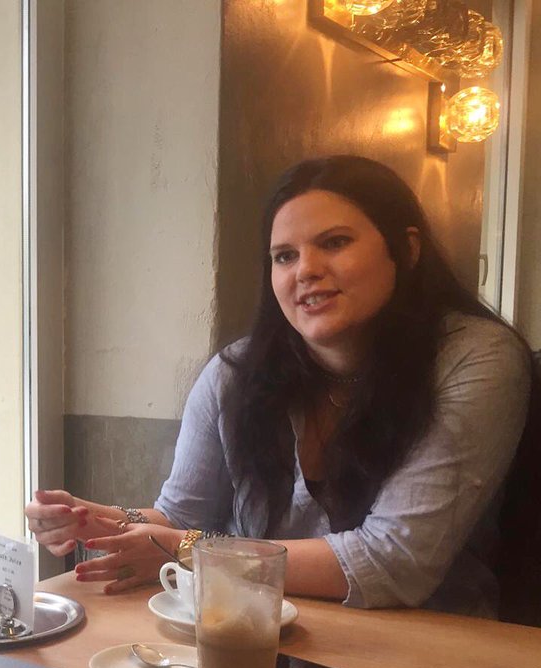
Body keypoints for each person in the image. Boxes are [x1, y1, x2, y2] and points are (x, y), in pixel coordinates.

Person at [27, 155, 535, 618]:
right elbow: (182, 515)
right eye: (285, 256)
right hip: (253, 636)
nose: (307, 271)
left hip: (434, 656)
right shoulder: (235, 372)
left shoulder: (475, 357)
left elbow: (393, 559)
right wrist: (104, 521)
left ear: (406, 249)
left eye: (335, 243)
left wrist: (184, 547)